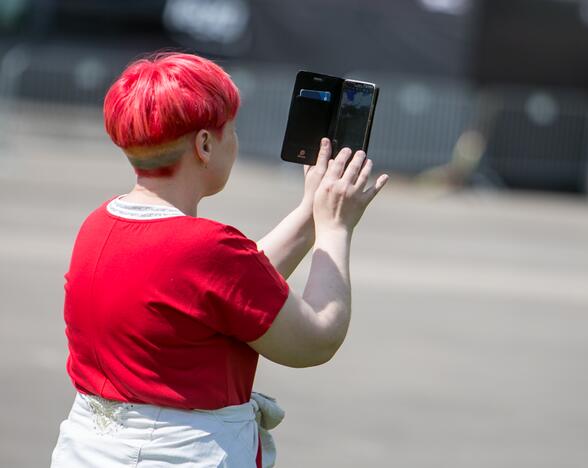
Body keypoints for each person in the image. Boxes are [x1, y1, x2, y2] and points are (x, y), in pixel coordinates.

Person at [50, 52, 387, 467]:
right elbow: (315, 339)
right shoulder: (207, 248)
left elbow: (226, 290)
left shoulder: (98, 225)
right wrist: (336, 228)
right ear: (205, 145)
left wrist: (312, 211)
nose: (236, 141)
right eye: (231, 128)